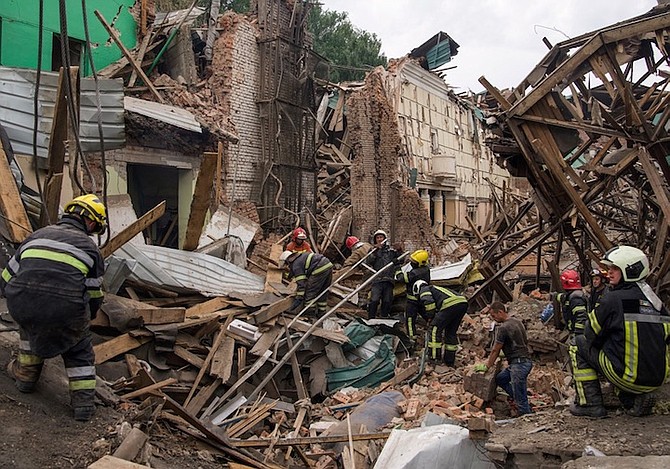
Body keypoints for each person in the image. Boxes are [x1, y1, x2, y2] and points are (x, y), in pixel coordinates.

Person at [1, 194, 106, 422]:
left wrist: (20, 303)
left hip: (22, 303)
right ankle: (83, 406)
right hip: (64, 309)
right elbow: (94, 294)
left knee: (30, 329)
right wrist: (87, 319)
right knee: (78, 350)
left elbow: (7, 277)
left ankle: (25, 380)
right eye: (95, 227)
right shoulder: (89, 248)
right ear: (90, 222)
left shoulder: (36, 236)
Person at [570, 245, 670, 418]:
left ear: (629, 271)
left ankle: (590, 404)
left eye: (615, 268)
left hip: (627, 376)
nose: (609, 272)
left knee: (577, 344)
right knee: (622, 347)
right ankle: (630, 400)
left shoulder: (612, 299)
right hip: (657, 378)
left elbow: (589, 333)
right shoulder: (656, 303)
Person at [475, 302, 533, 415]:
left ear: (500, 312)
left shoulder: (503, 328)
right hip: (524, 361)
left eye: (493, 315)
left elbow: (495, 350)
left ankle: (525, 416)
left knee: (520, 393)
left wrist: (487, 366)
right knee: (501, 378)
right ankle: (517, 398)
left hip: (519, 364)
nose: (493, 318)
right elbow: (520, 341)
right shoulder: (517, 322)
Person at [414, 279, 468, 366]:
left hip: (450, 304)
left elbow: (429, 302)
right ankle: (449, 360)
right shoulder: (436, 289)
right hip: (462, 302)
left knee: (435, 329)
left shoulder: (424, 289)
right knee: (450, 332)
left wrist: (430, 317)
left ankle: (434, 358)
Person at [279, 250, 333, 317]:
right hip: (328, 265)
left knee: (310, 291)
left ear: (288, 260)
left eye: (286, 264)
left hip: (319, 268)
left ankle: (309, 312)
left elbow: (302, 284)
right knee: (323, 291)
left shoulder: (296, 265)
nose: (287, 266)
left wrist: (299, 297)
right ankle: (321, 312)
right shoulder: (300, 258)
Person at [395, 249, 431, 340]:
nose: (411, 263)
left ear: (420, 263)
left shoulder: (415, 273)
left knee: (410, 321)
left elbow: (401, 278)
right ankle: (435, 332)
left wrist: (397, 268)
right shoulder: (426, 269)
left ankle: (412, 339)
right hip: (423, 299)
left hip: (413, 302)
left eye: (414, 261)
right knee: (428, 317)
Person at [366, 229, 400, 319]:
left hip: (389, 280)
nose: (380, 239)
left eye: (381, 237)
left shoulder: (391, 250)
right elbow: (369, 261)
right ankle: (371, 318)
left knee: (387, 301)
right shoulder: (373, 250)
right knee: (374, 300)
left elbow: (401, 260)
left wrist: (399, 251)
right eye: (378, 238)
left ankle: (384, 317)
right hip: (377, 279)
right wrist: (375, 252)